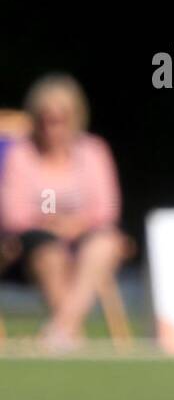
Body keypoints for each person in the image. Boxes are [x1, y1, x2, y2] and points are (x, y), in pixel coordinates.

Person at [0, 73, 126, 347]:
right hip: (32, 245)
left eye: (60, 120)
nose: (52, 128)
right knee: (48, 251)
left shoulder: (93, 152)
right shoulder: (21, 154)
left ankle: (62, 329)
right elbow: (13, 213)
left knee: (106, 244)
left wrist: (74, 225)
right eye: (46, 120)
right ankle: (69, 332)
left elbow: (106, 209)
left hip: (84, 237)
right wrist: (50, 224)